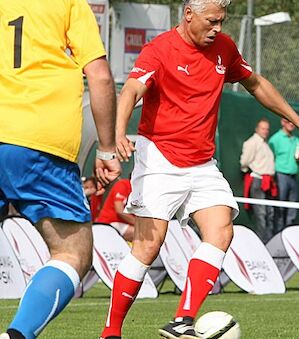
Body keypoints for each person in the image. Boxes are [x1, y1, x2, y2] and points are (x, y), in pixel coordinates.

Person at [98, 1, 299, 338]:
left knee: (221, 231)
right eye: (211, 21)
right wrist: (118, 135)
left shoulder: (224, 48)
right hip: (160, 157)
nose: (217, 28)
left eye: (222, 21)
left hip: (202, 162)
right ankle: (111, 332)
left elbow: (256, 83)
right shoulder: (159, 50)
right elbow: (131, 90)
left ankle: (182, 321)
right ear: (189, 14)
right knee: (148, 245)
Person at [0, 1, 121, 338]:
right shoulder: (67, 3)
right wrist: (107, 148)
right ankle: (18, 334)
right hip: (39, 141)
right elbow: (100, 76)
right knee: (72, 251)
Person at [240, 118, 277, 242]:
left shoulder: (265, 144)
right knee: (261, 214)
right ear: (257, 129)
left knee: (270, 213)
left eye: (267, 129)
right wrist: (248, 170)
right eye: (263, 128)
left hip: (268, 181)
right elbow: (244, 161)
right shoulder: (252, 142)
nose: (265, 131)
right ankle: (260, 243)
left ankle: (269, 242)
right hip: (258, 180)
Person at [269, 118, 299, 234]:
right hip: (280, 176)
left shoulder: (296, 140)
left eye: (293, 122)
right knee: (279, 207)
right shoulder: (275, 139)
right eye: (288, 121)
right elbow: (269, 158)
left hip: (293, 176)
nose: (291, 124)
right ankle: (277, 235)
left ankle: (289, 234)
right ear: (282, 122)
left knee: (292, 208)